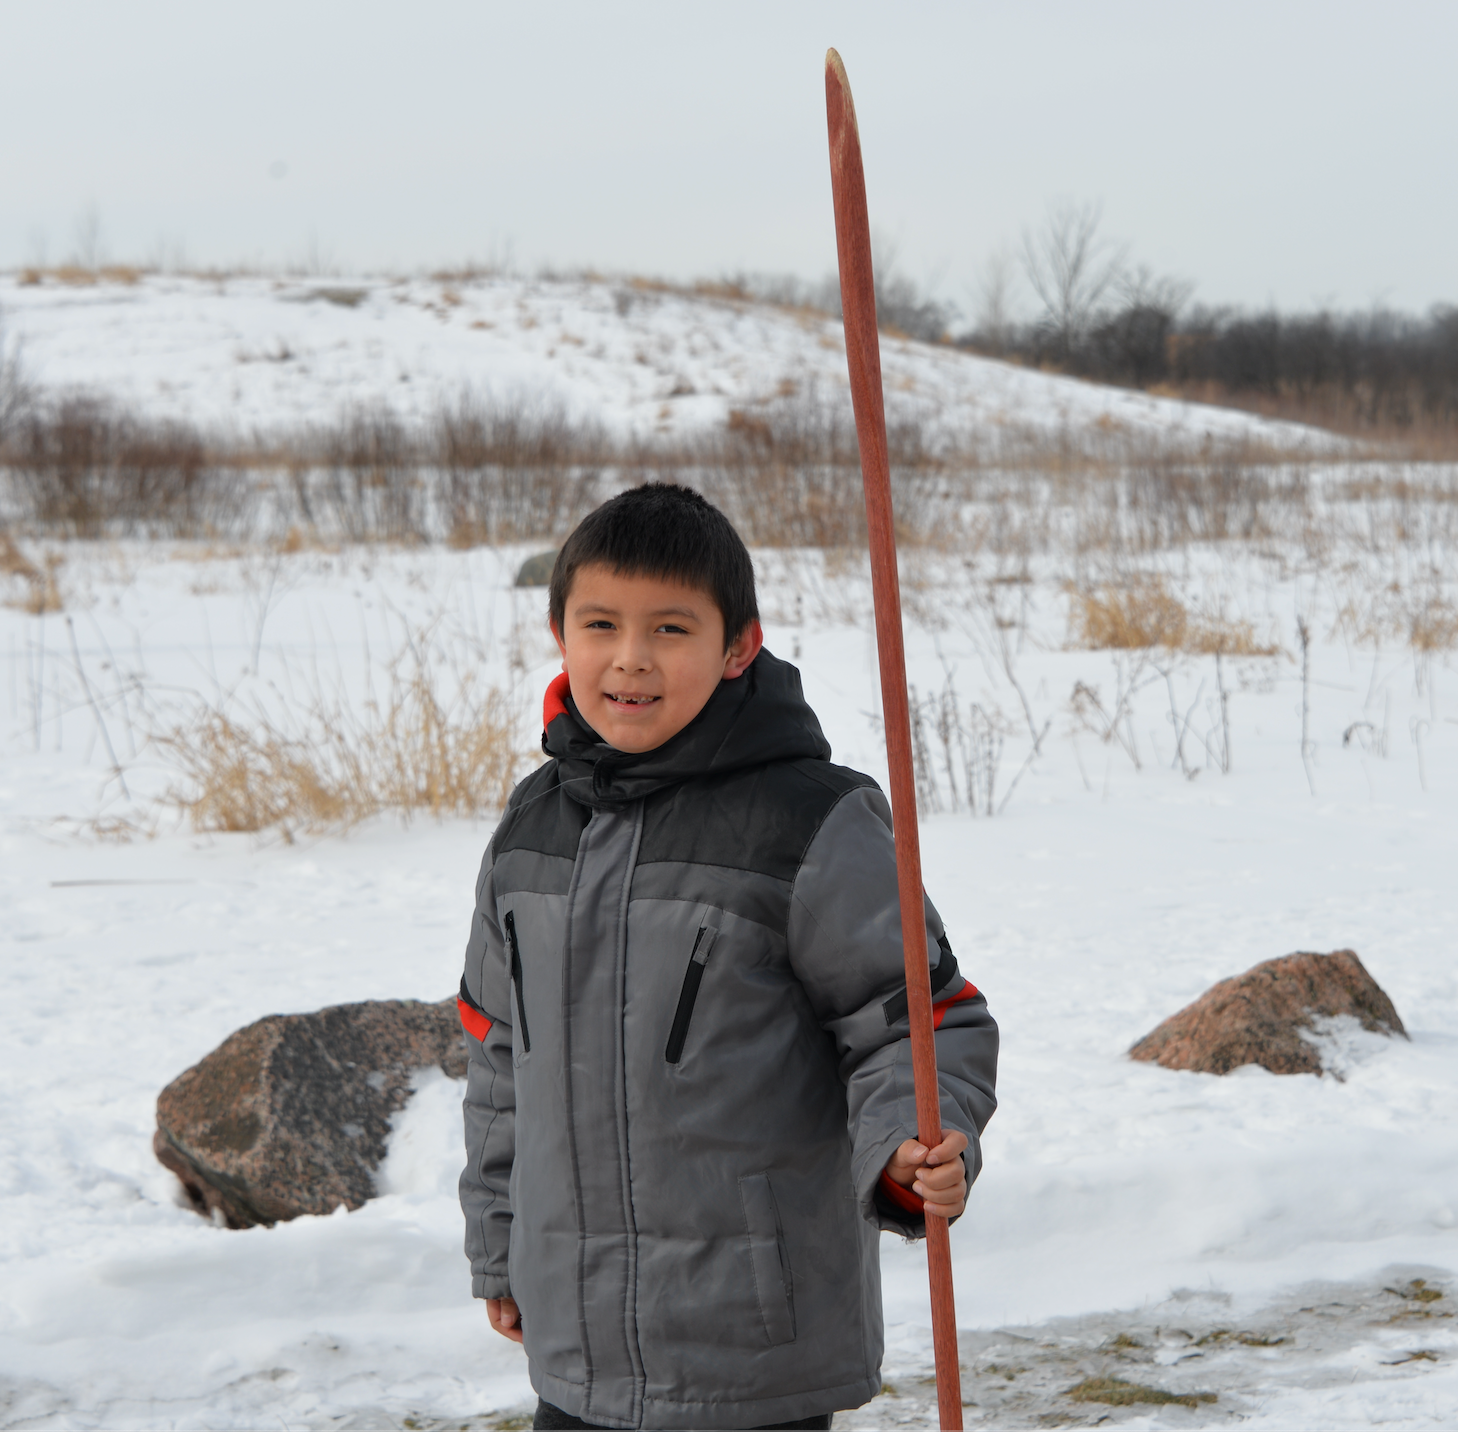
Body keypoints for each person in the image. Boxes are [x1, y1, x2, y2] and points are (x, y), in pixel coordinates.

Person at [457, 484, 998, 1430]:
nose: (630, 659)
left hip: (752, 1350)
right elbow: (499, 1049)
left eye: (671, 628)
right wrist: (500, 1245)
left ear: (737, 644)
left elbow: (917, 1022)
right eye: (601, 624)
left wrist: (914, 1142)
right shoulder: (530, 830)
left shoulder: (810, 823)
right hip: (573, 1344)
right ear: (559, 634)